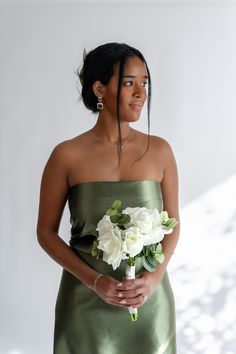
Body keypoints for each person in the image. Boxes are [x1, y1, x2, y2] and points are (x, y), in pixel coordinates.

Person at [36, 42, 180, 354]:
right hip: (84, 302)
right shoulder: (66, 156)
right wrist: (94, 282)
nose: (141, 93)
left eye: (145, 83)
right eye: (130, 83)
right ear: (100, 89)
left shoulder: (161, 151)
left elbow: (174, 224)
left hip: (149, 302)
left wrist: (155, 277)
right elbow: (45, 233)